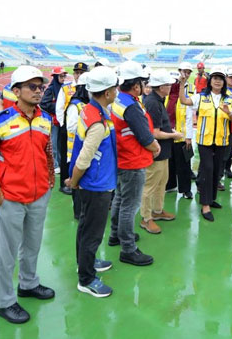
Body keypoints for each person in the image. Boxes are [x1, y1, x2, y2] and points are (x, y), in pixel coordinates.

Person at [0, 66, 56, 324]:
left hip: (39, 195)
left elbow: (48, 154)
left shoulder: (45, 119)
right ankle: (5, 301)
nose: (38, 91)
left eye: (40, 87)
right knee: (6, 255)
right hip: (10, 198)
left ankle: (29, 284)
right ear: (16, 91)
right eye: (32, 87)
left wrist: (49, 183)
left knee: (32, 246)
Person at [66, 66, 120, 298]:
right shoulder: (97, 122)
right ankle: (86, 278)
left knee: (85, 227)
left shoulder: (91, 110)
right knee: (93, 233)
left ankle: (84, 263)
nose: (117, 91)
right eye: (114, 88)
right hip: (96, 185)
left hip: (92, 183)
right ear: (107, 92)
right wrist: (73, 182)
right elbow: (84, 158)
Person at [109, 61, 160, 266]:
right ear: (136, 85)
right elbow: (145, 136)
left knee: (120, 200)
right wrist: (155, 146)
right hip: (132, 160)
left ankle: (116, 234)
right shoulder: (130, 105)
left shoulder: (119, 100)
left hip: (122, 158)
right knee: (130, 206)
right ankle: (128, 248)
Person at [188, 66, 232, 221]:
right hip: (205, 140)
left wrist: (228, 112)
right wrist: (182, 82)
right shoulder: (201, 96)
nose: (217, 81)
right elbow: (185, 101)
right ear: (210, 80)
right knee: (207, 169)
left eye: (220, 78)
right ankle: (205, 204)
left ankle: (211, 199)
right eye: (215, 78)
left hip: (222, 141)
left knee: (217, 170)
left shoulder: (228, 99)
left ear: (224, 82)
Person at [139, 69, 185, 234]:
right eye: (167, 84)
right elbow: (154, 133)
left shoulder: (157, 100)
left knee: (161, 182)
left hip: (163, 151)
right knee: (150, 185)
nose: (170, 87)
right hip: (156, 151)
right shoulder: (153, 103)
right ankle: (146, 218)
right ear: (161, 87)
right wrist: (174, 134)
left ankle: (157, 211)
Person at [56, 62, 89, 194]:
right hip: (67, 127)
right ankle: (65, 183)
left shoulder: (88, 87)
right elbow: (59, 107)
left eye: (81, 73)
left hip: (82, 129)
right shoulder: (65, 88)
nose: (78, 75)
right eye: (76, 72)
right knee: (65, 156)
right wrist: (63, 125)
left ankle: (75, 181)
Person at [165, 65, 195, 199]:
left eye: (189, 72)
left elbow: (189, 117)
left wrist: (188, 136)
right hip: (167, 134)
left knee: (184, 164)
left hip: (181, 135)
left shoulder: (187, 93)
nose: (187, 74)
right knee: (169, 162)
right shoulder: (166, 96)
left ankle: (185, 189)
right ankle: (170, 185)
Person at [65, 76, 90, 219]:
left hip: (84, 149)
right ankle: (78, 212)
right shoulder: (75, 105)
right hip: (75, 150)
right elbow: (71, 127)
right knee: (76, 180)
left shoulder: (86, 104)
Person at [40, 66, 66, 168]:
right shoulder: (50, 89)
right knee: (53, 143)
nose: (63, 78)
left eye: (64, 76)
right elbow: (44, 104)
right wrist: (59, 107)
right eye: (61, 76)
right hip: (54, 121)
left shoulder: (63, 88)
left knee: (60, 143)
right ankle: (54, 164)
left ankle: (59, 162)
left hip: (61, 120)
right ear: (55, 77)